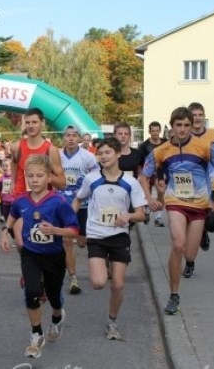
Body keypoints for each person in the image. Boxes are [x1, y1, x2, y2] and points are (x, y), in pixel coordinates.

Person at [139, 107, 214, 315]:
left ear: (192, 126)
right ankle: (174, 295)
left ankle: (201, 235)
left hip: (199, 205)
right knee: (178, 245)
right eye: (178, 125)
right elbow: (144, 176)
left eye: (186, 125)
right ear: (172, 126)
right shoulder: (162, 150)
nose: (182, 129)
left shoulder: (205, 145)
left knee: (189, 254)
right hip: (175, 202)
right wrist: (150, 198)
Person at [0, 154, 79, 359]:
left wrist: (55, 230)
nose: (34, 180)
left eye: (39, 176)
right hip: (30, 254)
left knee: (54, 297)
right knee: (32, 291)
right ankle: (36, 334)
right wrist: (5, 231)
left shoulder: (59, 202)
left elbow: (74, 230)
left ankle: (57, 316)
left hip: (53, 256)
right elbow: (14, 214)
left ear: (49, 177)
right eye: (30, 176)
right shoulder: (21, 200)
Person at [73, 137, 147, 340]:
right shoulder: (92, 179)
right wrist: (70, 222)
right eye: (100, 153)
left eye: (107, 152)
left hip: (119, 237)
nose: (103, 156)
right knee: (98, 283)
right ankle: (103, 266)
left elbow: (141, 214)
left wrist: (129, 216)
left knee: (118, 285)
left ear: (117, 154)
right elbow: (79, 198)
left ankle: (112, 322)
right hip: (96, 235)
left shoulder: (130, 182)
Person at [58, 125, 99, 295]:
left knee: (82, 242)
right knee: (67, 241)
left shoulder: (88, 157)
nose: (71, 138)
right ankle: (73, 278)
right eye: (68, 135)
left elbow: (97, 176)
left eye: (74, 135)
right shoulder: (57, 156)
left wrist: (85, 189)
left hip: (82, 204)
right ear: (63, 138)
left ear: (80, 138)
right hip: (62, 204)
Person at [188, 102, 214, 255]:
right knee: (192, 219)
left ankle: (204, 231)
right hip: (191, 184)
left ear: (204, 116)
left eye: (200, 115)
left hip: (212, 183)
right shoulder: (183, 134)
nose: (197, 118)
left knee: (211, 225)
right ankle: (190, 259)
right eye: (194, 115)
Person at [11, 108, 66, 195]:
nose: (30, 126)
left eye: (34, 122)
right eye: (27, 123)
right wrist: (12, 182)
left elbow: (62, 183)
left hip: (43, 202)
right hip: (20, 200)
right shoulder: (16, 147)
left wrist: (44, 175)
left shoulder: (51, 150)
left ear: (42, 123)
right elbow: (14, 162)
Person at [137, 121, 168, 227]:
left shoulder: (165, 143)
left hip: (160, 173)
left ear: (160, 131)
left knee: (161, 192)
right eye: (153, 131)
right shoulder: (144, 146)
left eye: (157, 131)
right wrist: (141, 175)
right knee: (147, 193)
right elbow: (139, 162)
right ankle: (147, 212)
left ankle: (158, 218)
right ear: (149, 131)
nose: (155, 133)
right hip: (147, 173)